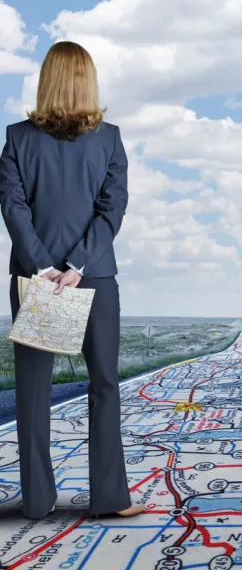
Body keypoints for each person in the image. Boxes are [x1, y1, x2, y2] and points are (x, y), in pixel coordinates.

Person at [0, 41, 145, 520]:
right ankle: (110, 498)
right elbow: (112, 209)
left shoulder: (17, 137)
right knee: (104, 384)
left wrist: (42, 266)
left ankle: (38, 502)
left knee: (33, 390)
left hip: (33, 278)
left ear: (46, 79)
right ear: (89, 80)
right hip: (95, 278)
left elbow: (13, 208)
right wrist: (77, 264)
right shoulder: (110, 139)